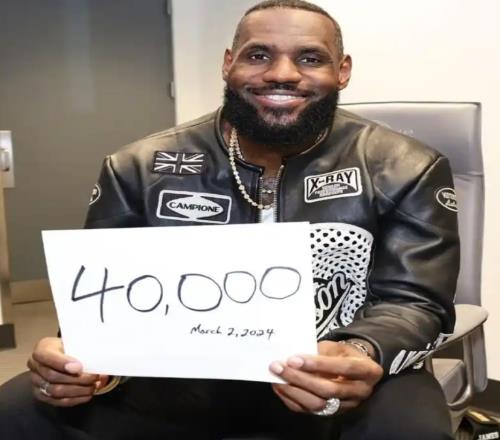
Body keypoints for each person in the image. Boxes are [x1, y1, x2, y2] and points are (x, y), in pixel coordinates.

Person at [0, 1, 460, 439]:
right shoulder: (137, 167)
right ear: (228, 64)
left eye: (310, 58)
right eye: (258, 55)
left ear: (342, 71)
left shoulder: (405, 166)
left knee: (409, 428)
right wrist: (74, 364)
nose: (282, 73)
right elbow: (99, 305)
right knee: (19, 408)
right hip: (180, 374)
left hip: (335, 366)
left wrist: (358, 350)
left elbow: (415, 300)